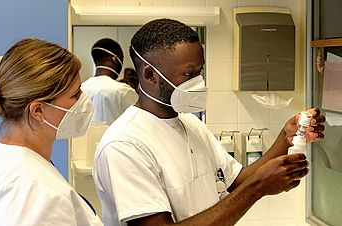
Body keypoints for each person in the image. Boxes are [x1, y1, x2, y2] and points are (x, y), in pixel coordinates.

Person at [92, 19, 326, 226]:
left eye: (200, 71)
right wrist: (258, 188)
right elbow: (248, 187)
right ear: (150, 75)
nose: (198, 82)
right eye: (188, 73)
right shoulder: (124, 145)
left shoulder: (191, 125)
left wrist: (285, 139)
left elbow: (236, 182)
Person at [0, 38, 103, 226]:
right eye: (75, 94)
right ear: (38, 111)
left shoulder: (11, 159)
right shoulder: (29, 188)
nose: (83, 100)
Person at [82, 38, 138, 125]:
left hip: (85, 139)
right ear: (115, 59)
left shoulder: (82, 88)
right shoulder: (122, 91)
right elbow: (141, 120)